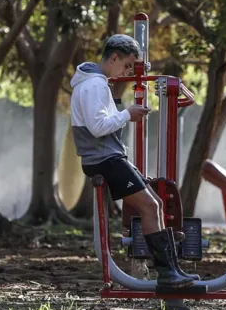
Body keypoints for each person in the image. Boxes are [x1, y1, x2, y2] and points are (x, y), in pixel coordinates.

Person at [69, 34, 197, 288]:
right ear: (113, 57)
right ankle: (168, 275)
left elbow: (102, 124)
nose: (126, 72)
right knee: (151, 207)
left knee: (157, 205)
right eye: (126, 65)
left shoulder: (94, 83)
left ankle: (171, 271)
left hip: (109, 156)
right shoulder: (94, 85)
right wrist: (128, 114)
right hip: (104, 159)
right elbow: (98, 127)